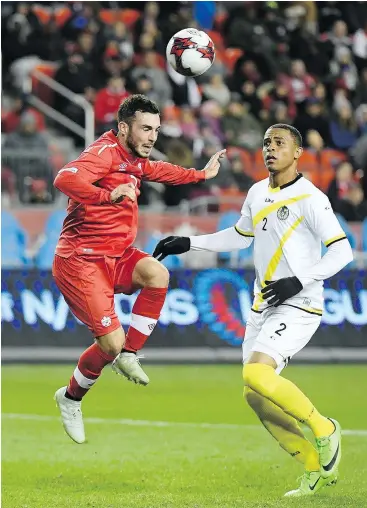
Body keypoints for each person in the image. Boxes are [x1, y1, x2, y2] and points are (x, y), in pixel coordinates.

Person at [153, 124, 353, 497]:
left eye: (279, 143)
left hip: (300, 303)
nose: (270, 149)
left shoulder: (311, 198)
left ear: (297, 153)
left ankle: (325, 428)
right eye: (266, 143)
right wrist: (189, 242)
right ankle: (312, 468)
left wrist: (300, 279)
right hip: (263, 305)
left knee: (258, 373)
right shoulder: (257, 192)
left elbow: (343, 251)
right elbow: (241, 234)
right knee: (254, 394)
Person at [53, 94, 225, 444]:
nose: (152, 137)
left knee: (157, 274)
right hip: (82, 260)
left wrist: (201, 173)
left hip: (117, 256)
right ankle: (70, 398)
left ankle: (130, 354)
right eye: (146, 129)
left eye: (156, 130)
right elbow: (64, 179)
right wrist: (106, 196)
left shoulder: (134, 159)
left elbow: (159, 170)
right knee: (109, 344)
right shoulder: (103, 154)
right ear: (122, 128)